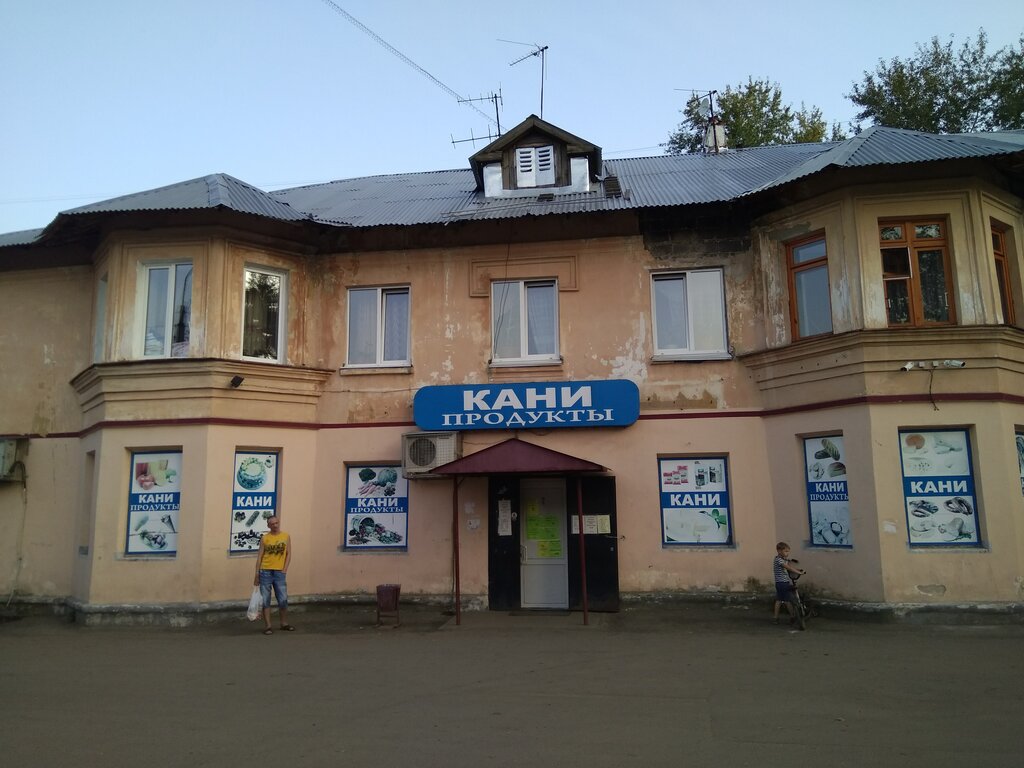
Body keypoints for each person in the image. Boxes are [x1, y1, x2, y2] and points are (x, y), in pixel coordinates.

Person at [253, 516, 293, 634]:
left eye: (276, 523)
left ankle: (284, 623)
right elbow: (260, 556)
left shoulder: (285, 536)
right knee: (266, 599)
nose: (275, 525)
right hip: (265, 570)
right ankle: (268, 626)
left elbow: (289, 553)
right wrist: (256, 574)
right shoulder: (265, 538)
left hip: (279, 572)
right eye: (272, 524)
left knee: (283, 599)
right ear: (268, 526)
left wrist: (284, 569)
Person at [772, 541, 805, 628]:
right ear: (779, 551)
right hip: (783, 583)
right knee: (787, 600)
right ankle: (793, 616)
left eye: (788, 551)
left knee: (779, 600)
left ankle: (775, 618)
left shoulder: (781, 559)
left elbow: (789, 566)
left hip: (779, 583)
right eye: (786, 551)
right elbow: (788, 568)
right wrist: (799, 572)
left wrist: (798, 569)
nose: (787, 553)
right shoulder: (779, 560)